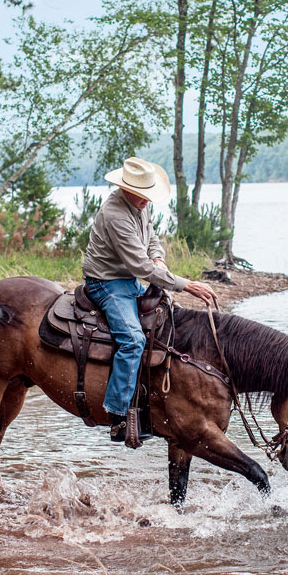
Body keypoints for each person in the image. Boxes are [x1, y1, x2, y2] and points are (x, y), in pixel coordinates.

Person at [82, 157, 218, 445]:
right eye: (142, 195)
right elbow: (140, 267)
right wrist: (186, 284)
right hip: (106, 283)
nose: (146, 201)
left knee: (166, 329)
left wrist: (159, 258)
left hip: (129, 279)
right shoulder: (115, 214)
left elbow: (152, 239)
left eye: (149, 195)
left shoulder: (139, 206)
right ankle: (117, 414)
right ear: (126, 188)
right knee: (132, 339)